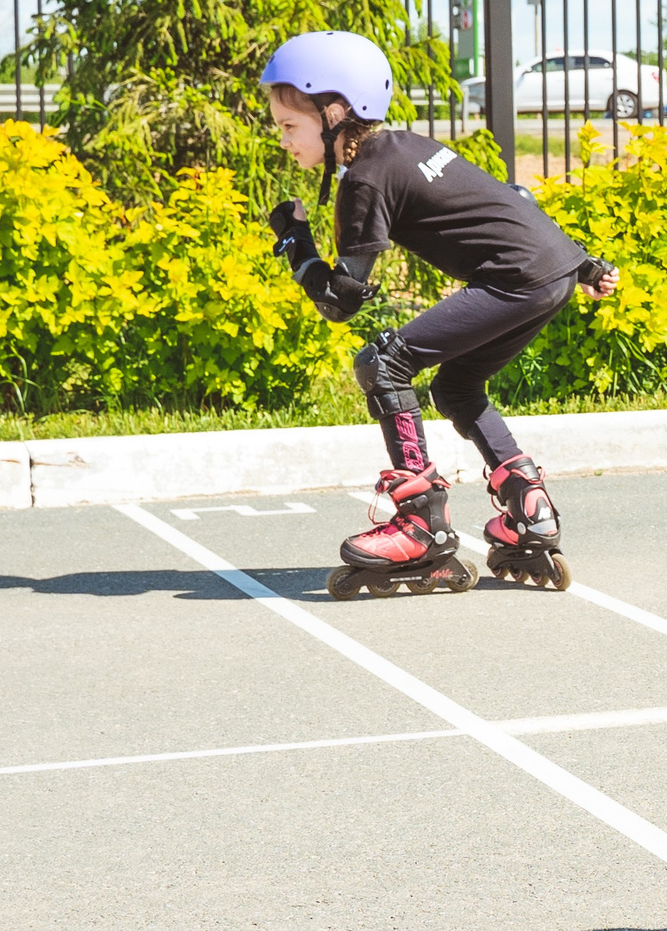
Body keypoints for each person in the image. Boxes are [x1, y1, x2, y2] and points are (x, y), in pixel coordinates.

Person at [257, 30, 619, 598]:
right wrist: (582, 264)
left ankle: (421, 522)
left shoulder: (365, 179)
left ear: (334, 113)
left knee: (382, 364)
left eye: (288, 125)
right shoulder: (403, 146)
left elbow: (340, 302)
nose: (282, 140)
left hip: (516, 279)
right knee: (458, 388)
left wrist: (295, 244)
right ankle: (529, 507)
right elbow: (508, 199)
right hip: (547, 274)